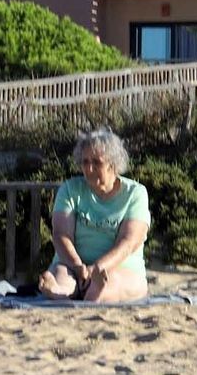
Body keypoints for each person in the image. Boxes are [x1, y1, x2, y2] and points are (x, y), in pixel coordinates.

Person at [38, 128, 151, 303]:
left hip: (120, 269)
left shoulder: (135, 193)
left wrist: (97, 268)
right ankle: (59, 291)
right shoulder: (70, 189)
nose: (89, 169)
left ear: (113, 164)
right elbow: (61, 234)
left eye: (97, 163)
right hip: (73, 266)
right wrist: (78, 267)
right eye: (85, 162)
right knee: (62, 276)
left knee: (111, 282)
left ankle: (95, 292)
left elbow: (128, 243)